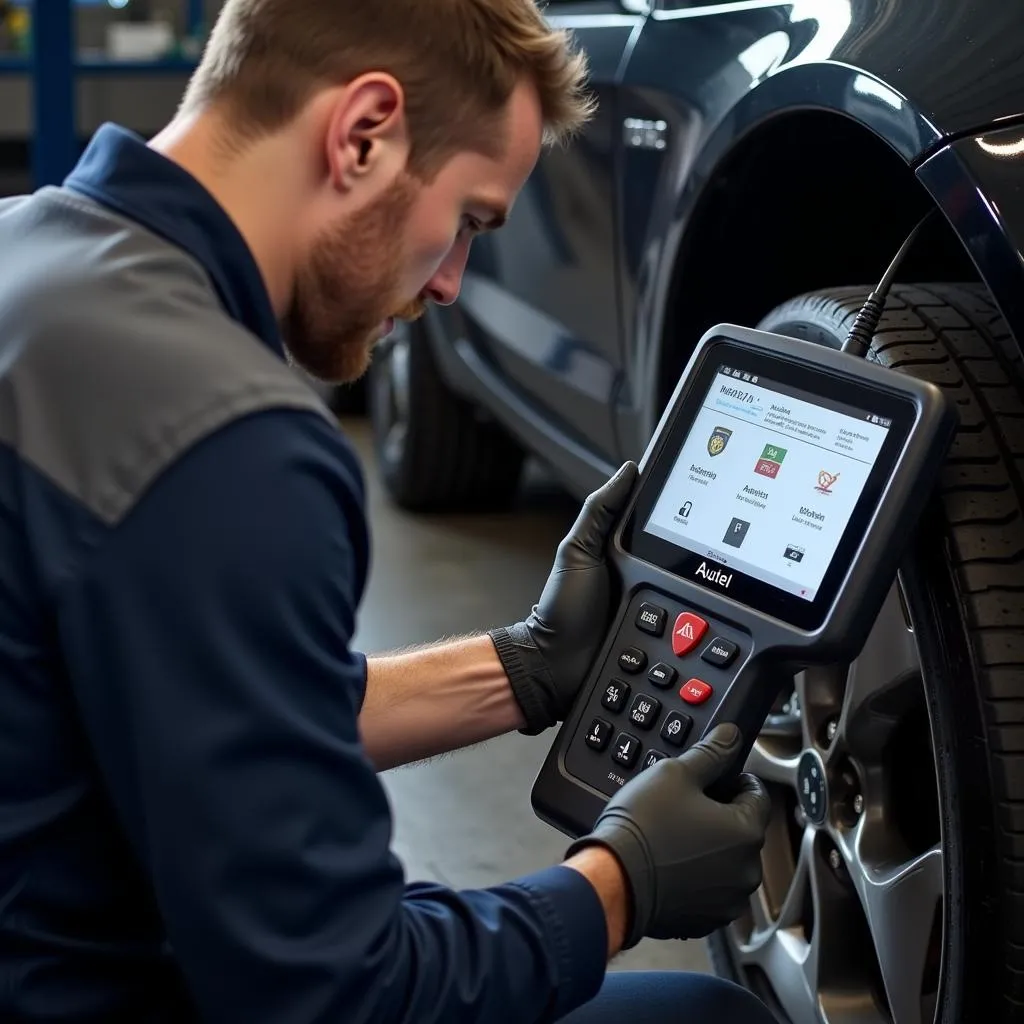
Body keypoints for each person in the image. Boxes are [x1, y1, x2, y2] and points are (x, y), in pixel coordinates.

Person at [0, 1, 776, 1020]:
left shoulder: (30, 253)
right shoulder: (228, 441)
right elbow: (333, 993)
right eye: (467, 221)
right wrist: (619, 885)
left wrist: (527, 665)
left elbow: (207, 695)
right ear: (363, 133)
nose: (451, 283)